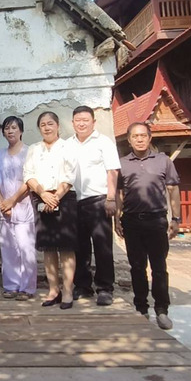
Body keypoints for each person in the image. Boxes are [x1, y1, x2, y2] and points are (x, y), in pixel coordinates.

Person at [116, 122, 182, 330]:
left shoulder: (163, 161)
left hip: (156, 220)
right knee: (137, 267)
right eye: (135, 136)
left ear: (149, 137)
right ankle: (141, 308)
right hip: (131, 221)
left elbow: (173, 190)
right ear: (129, 140)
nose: (139, 139)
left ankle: (161, 310)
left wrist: (176, 219)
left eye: (143, 135)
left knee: (159, 267)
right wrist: (117, 218)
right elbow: (119, 194)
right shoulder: (122, 164)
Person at [23, 111, 78, 310]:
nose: (47, 127)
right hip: (41, 198)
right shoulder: (34, 149)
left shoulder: (68, 146)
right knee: (48, 247)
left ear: (58, 126)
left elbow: (70, 175)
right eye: (43, 125)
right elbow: (28, 175)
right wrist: (43, 194)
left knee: (66, 246)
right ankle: (53, 290)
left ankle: (68, 290)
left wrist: (56, 197)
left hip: (64, 198)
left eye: (50, 123)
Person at [67, 106, 122, 306]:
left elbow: (112, 171)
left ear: (93, 122)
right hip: (74, 201)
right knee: (79, 246)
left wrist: (111, 198)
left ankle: (105, 288)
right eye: (78, 120)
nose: (81, 123)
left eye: (85, 120)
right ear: (72, 123)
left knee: (102, 246)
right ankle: (83, 286)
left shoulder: (103, 142)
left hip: (99, 200)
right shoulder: (67, 144)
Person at [0, 116, 37, 300]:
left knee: (26, 248)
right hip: (5, 208)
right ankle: (11, 285)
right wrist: (2, 202)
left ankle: (27, 288)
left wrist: (12, 200)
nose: (10, 131)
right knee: (8, 248)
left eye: (13, 127)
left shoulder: (30, 152)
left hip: (24, 206)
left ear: (21, 131)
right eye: (7, 128)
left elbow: (30, 180)